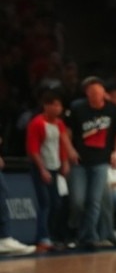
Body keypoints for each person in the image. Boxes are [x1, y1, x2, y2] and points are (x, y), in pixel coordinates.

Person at [66, 76, 116, 249]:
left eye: (98, 92)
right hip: (79, 161)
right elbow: (66, 132)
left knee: (95, 201)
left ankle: (90, 237)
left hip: (101, 161)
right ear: (87, 93)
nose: (95, 95)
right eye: (91, 92)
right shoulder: (77, 108)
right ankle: (78, 232)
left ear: (104, 93)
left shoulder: (112, 109)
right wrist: (70, 150)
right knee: (78, 201)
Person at [26, 90, 74, 251]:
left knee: (56, 203)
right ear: (46, 106)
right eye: (54, 105)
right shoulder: (37, 124)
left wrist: (65, 162)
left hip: (55, 167)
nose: (58, 108)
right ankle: (42, 237)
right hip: (41, 167)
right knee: (45, 202)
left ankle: (52, 235)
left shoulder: (59, 124)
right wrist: (42, 169)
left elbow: (63, 144)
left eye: (59, 105)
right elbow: (33, 149)